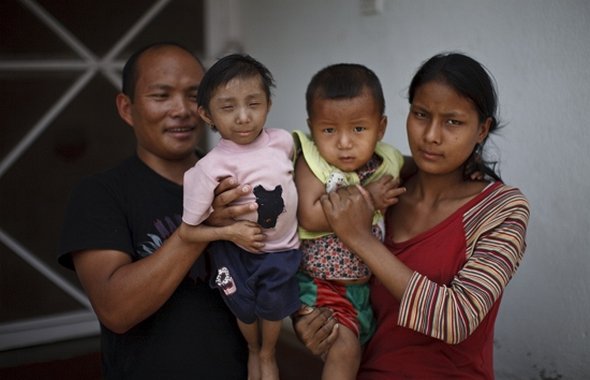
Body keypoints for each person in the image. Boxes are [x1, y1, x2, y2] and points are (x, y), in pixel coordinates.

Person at [294, 52, 530, 379]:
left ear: (482, 129)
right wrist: (309, 319)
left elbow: (456, 319)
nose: (431, 135)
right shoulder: (387, 189)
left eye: (453, 121)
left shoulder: (501, 210)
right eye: (421, 114)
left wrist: (361, 238)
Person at [58, 43, 261, 379]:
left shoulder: (237, 182)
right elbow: (116, 309)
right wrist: (200, 226)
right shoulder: (101, 194)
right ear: (127, 108)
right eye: (161, 95)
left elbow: (274, 270)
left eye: (194, 94)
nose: (181, 109)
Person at [182, 53, 301, 380]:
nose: (244, 117)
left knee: (274, 307)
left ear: (269, 103)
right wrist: (231, 233)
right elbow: (188, 232)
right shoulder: (209, 168)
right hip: (235, 254)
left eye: (253, 103)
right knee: (244, 309)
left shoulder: (283, 142)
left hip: (282, 249)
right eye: (228, 107)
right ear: (206, 114)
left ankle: (268, 353)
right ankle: (252, 348)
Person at [293, 63, 404, 379]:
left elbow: (415, 175)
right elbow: (309, 215)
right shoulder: (312, 164)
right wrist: (367, 200)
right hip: (322, 284)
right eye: (329, 130)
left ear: (380, 128)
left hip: (361, 291)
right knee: (345, 352)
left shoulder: (386, 161)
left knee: (360, 355)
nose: (344, 142)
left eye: (359, 129)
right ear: (313, 128)